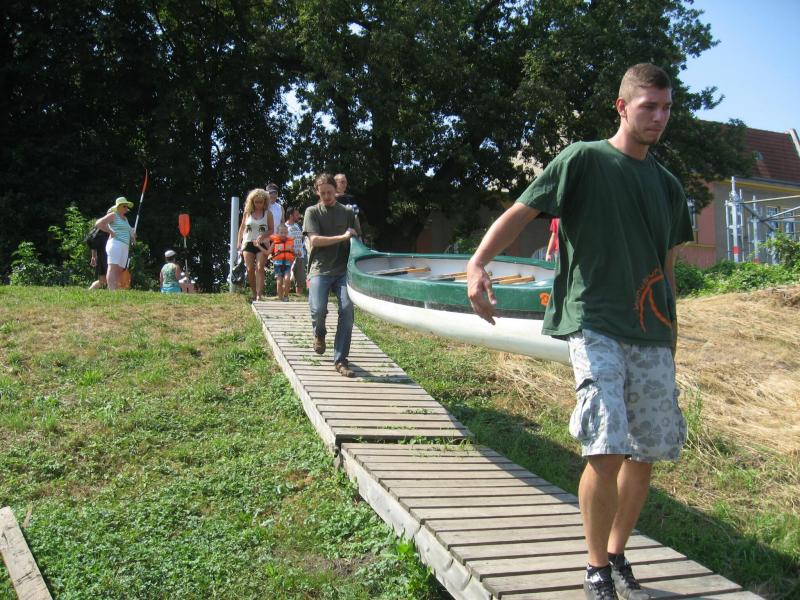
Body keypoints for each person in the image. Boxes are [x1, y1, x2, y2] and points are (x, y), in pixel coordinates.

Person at [466, 63, 693, 600]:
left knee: (646, 453)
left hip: (651, 330)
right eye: (649, 106)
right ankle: (595, 569)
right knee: (606, 442)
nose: (659, 117)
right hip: (594, 320)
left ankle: (616, 553)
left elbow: (667, 269)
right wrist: (478, 264)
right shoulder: (583, 159)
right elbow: (520, 213)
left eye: (666, 108)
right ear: (622, 107)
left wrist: (672, 336)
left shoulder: (668, 186)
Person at [303, 172, 360, 378]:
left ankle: (341, 360)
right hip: (319, 268)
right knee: (318, 309)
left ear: (336, 190)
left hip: (343, 270)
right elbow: (315, 240)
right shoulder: (312, 212)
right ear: (317, 192)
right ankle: (319, 333)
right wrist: (343, 236)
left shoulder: (348, 212)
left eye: (329, 192)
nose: (326, 196)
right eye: (322, 193)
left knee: (347, 310)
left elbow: (357, 240)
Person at [236, 188, 273, 302]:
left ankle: (259, 294)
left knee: (260, 267)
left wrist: (263, 235)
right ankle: (253, 292)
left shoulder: (268, 214)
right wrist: (238, 242)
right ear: (252, 201)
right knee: (250, 268)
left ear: (265, 202)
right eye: (256, 202)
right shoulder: (247, 213)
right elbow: (242, 227)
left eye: (261, 202)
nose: (258, 204)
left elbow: (271, 229)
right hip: (248, 242)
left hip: (262, 243)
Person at [94, 197, 136, 290]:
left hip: (125, 245)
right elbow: (98, 223)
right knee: (113, 267)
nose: (126, 208)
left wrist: (133, 235)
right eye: (124, 206)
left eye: (127, 206)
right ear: (118, 207)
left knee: (120, 269)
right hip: (115, 243)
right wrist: (110, 231)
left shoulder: (125, 219)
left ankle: (115, 289)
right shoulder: (113, 215)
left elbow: (130, 233)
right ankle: (111, 290)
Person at [268, 224, 295, 301]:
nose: (283, 234)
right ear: (277, 233)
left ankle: (286, 296)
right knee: (279, 282)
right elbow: (268, 252)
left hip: (287, 264)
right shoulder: (275, 242)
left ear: (287, 233)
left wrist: (297, 253)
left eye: (285, 233)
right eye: (281, 232)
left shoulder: (290, 242)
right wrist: (259, 246)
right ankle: (280, 298)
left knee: (287, 279)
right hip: (277, 264)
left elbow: (293, 252)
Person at [285, 206, 306, 295]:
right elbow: (283, 242)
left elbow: (301, 239)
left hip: (300, 255)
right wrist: (292, 251)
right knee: (287, 276)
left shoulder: (297, 226)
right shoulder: (284, 227)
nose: (299, 216)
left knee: (300, 280)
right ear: (291, 215)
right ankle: (285, 295)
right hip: (290, 256)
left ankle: (299, 296)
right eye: (296, 214)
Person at [87, 224, 109, 290]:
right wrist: (93, 257)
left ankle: (88, 291)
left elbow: (93, 243)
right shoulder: (110, 226)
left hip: (102, 256)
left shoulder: (100, 227)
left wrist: (93, 256)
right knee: (107, 279)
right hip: (107, 257)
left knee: (103, 280)